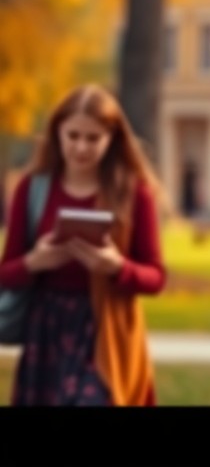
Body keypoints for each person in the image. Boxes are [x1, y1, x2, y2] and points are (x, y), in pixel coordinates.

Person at [0, 84, 167, 406]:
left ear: (112, 139)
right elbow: (6, 272)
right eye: (73, 135)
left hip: (107, 329)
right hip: (47, 329)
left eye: (93, 138)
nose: (81, 148)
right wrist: (35, 262)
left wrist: (117, 266)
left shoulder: (132, 192)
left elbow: (156, 277)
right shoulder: (32, 188)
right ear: (57, 134)